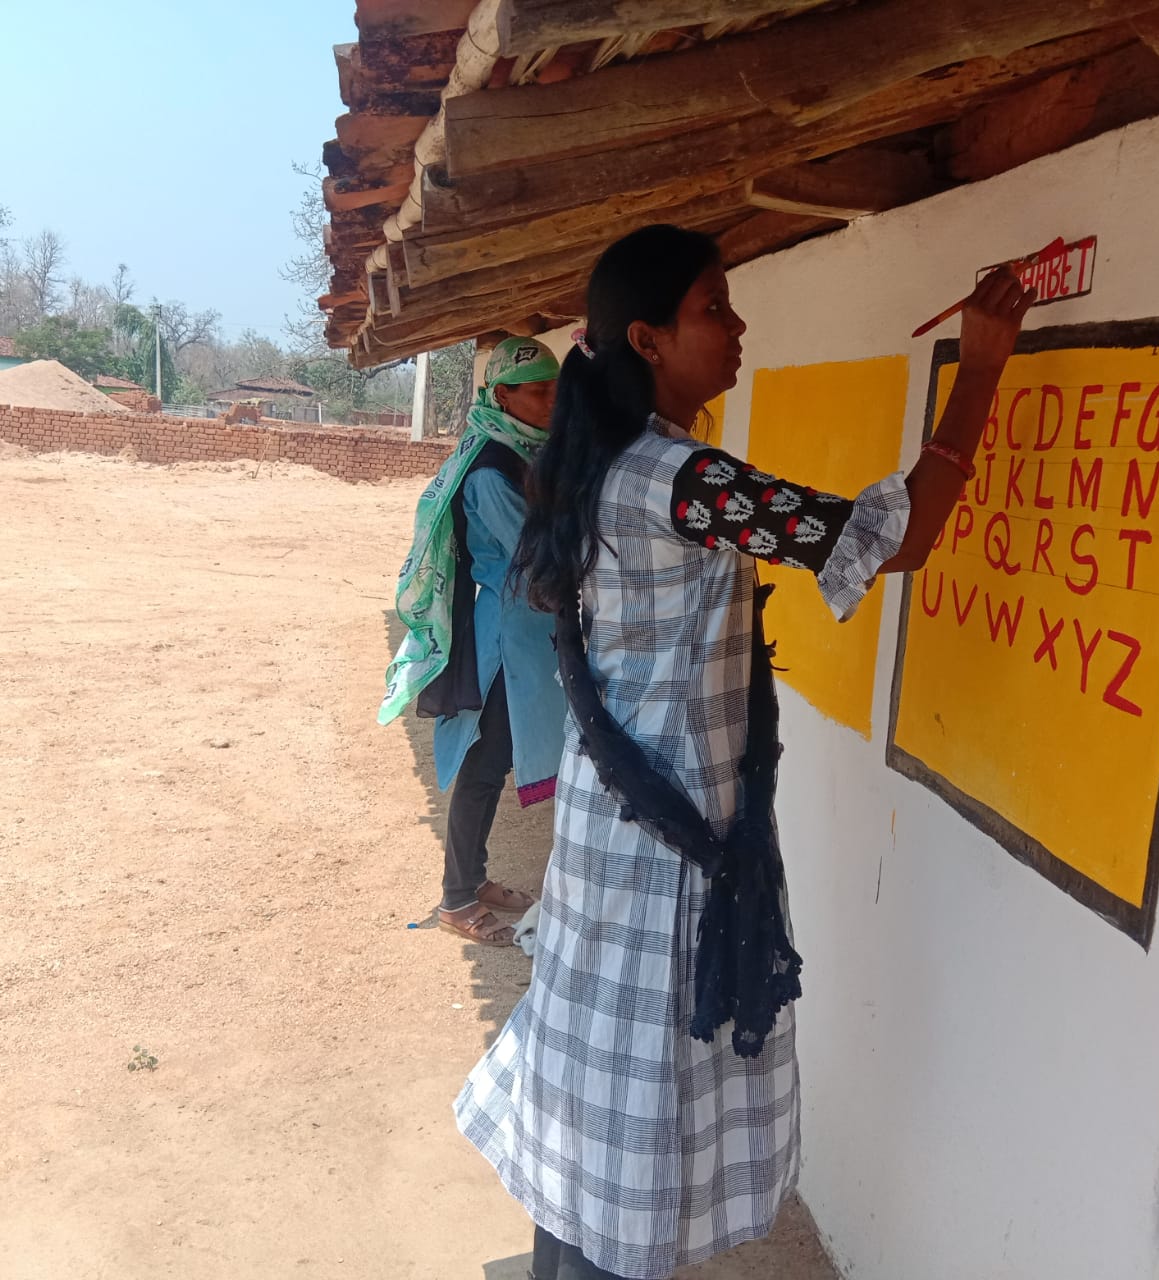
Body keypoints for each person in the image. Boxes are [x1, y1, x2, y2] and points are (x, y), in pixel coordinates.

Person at [454, 226, 1034, 1277]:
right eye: (713, 308)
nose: (736, 327)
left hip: (607, 820)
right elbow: (888, 536)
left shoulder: (599, 463)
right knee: (633, 1115)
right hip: (662, 851)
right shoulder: (682, 479)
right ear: (647, 337)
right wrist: (981, 369)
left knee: (588, 1094)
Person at [380, 337, 566, 947]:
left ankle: (474, 879)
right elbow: (531, 554)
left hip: (526, 630)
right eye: (538, 391)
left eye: (555, 389)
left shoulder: (519, 452)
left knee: (494, 763)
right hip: (506, 639)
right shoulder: (491, 467)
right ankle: (457, 900)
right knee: (484, 767)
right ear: (503, 395)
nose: (551, 402)